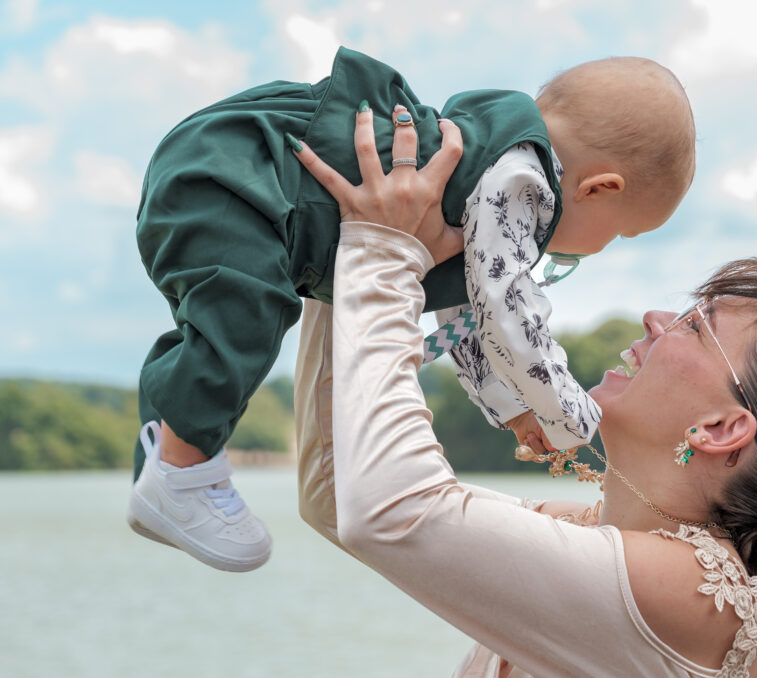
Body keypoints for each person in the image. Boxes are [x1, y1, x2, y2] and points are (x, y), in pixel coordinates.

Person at [290, 106, 757, 678]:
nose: (657, 318)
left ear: (719, 427)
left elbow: (389, 509)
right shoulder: (597, 534)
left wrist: (386, 247)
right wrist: (342, 250)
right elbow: (339, 491)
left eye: (695, 324)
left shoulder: (698, 597)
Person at [127, 45, 696, 571]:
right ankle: (182, 471)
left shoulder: (495, 168)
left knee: (222, 322)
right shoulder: (524, 180)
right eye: (623, 234)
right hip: (240, 179)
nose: (602, 248)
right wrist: (568, 413)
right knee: (245, 317)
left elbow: (464, 315)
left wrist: (513, 408)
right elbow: (508, 305)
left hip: (232, 174)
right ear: (598, 188)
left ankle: (167, 461)